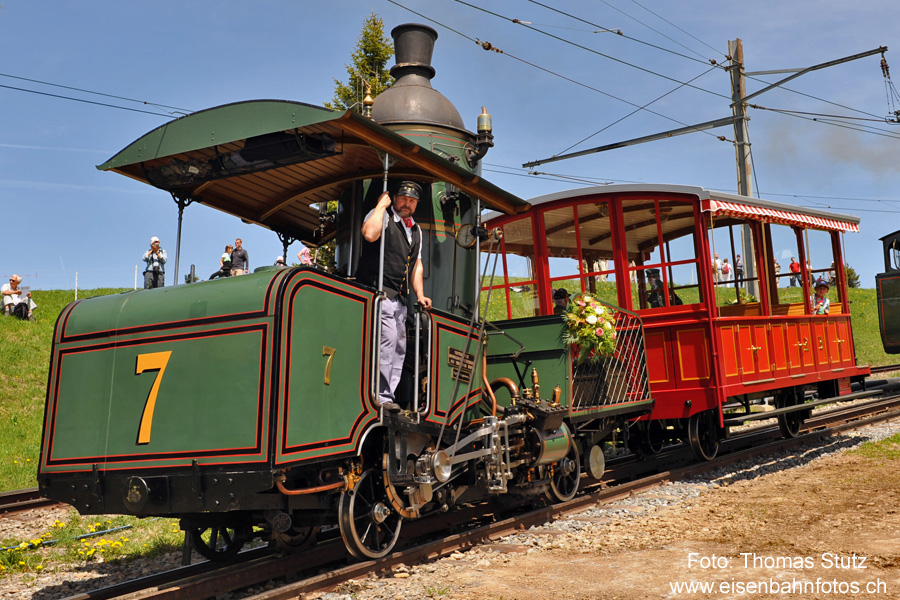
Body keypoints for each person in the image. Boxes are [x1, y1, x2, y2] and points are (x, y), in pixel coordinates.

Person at [357, 181, 432, 411]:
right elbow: (369, 234)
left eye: (412, 201)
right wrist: (381, 205)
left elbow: (416, 265)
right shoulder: (382, 215)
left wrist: (420, 294)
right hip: (378, 292)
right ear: (395, 199)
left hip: (400, 299)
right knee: (387, 343)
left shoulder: (416, 230)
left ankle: (387, 395)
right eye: (403, 199)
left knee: (399, 349)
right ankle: (379, 397)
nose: (407, 204)